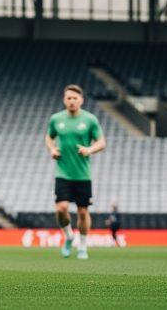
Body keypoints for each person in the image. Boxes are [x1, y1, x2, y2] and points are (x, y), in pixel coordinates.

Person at [45, 84, 106, 259]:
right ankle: (69, 236)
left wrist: (89, 149)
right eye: (69, 98)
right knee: (61, 208)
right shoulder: (56, 119)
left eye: (75, 98)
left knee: (83, 212)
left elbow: (102, 142)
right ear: (64, 100)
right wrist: (52, 149)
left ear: (81, 100)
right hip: (63, 172)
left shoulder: (90, 120)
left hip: (82, 175)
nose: (72, 101)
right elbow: (49, 137)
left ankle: (83, 246)